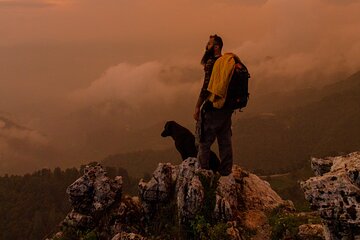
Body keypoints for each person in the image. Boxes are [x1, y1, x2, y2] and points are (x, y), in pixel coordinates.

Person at [194, 34, 234, 176]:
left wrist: (198, 106)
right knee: (225, 141)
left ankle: (203, 173)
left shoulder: (212, 63)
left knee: (204, 142)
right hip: (227, 108)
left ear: (216, 46)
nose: (206, 46)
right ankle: (226, 172)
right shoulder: (227, 63)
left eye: (209, 44)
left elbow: (206, 88)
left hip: (213, 108)